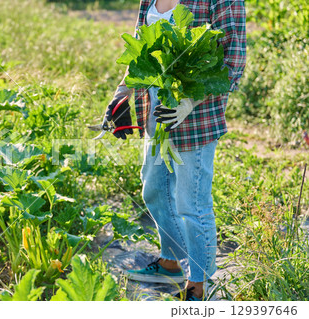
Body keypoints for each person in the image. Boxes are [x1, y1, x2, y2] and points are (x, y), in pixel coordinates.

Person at [105, 0, 246, 301]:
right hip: (156, 109)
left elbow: (233, 62)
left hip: (196, 114)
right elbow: (140, 48)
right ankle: (171, 263)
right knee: (153, 189)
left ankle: (199, 286)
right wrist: (121, 93)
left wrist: (189, 102)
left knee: (191, 204)